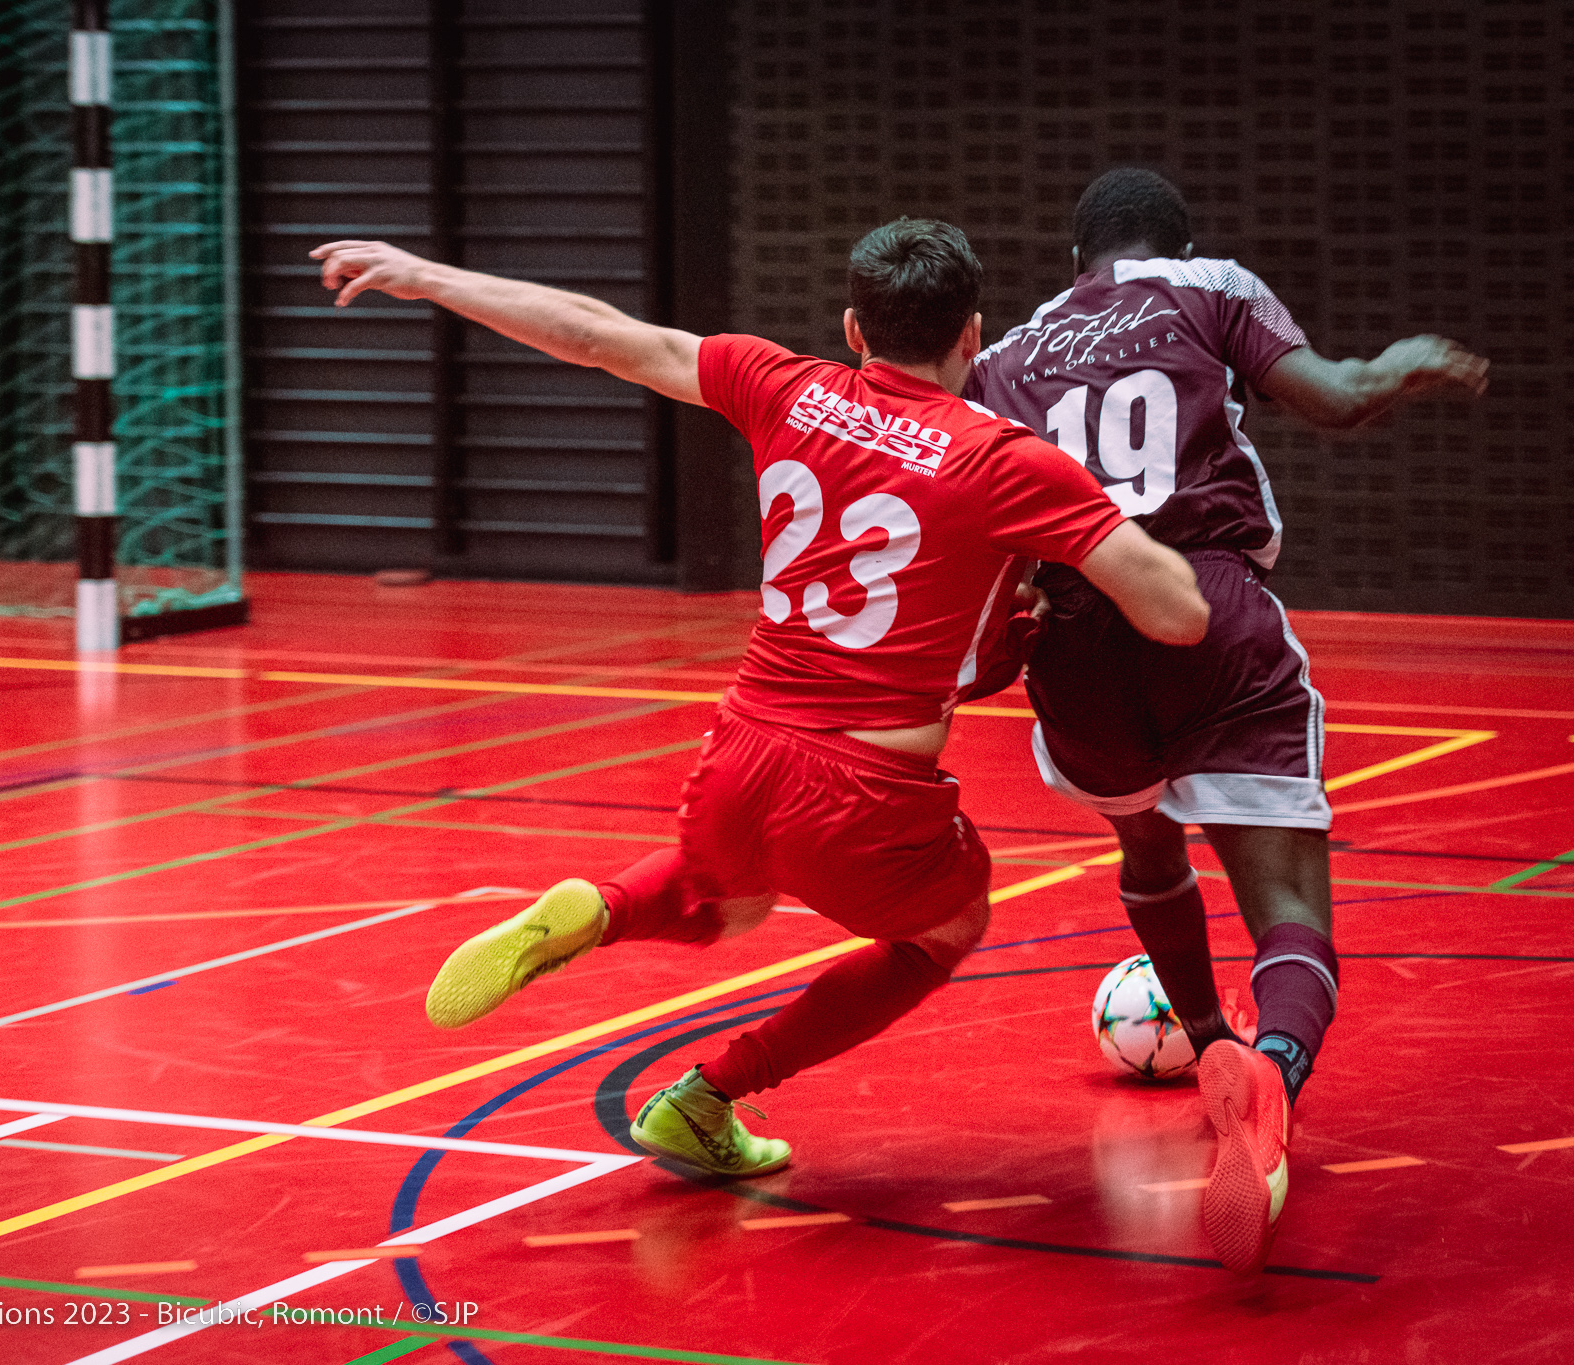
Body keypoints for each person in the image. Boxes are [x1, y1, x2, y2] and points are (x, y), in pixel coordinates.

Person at [312, 219, 1209, 1180]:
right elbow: (1178, 613)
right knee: (947, 926)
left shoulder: (781, 382)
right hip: (868, 789)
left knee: (725, 904)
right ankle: (707, 1097)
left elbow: (591, 330)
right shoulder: (1002, 459)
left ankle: (596, 908)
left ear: (854, 330)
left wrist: (423, 275)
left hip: (740, 754)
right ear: (972, 337)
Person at [965, 168, 1489, 1273]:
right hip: (1204, 609)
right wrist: (1399, 369)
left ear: (1075, 262)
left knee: (1144, 842)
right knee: (1288, 902)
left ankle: (1207, 1044)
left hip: (1070, 634)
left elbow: (974, 518)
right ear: (1173, 242)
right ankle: (1273, 1070)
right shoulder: (1207, 289)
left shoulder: (1006, 354)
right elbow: (1337, 396)